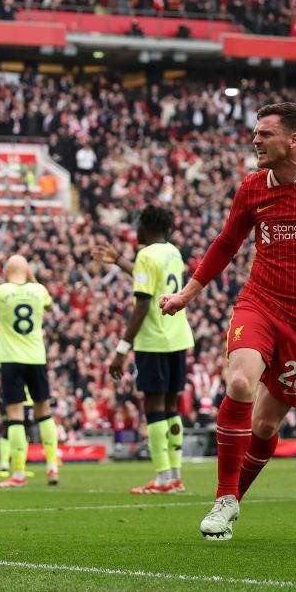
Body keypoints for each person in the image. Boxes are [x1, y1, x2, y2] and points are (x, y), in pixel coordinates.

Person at [160, 102, 296, 540]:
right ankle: (223, 498)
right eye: (255, 132)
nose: (255, 140)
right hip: (259, 302)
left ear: (294, 139)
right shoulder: (253, 187)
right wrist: (187, 293)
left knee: (265, 425)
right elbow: (226, 243)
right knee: (239, 383)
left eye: (265, 133)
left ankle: (233, 500)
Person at [99, 205, 193, 494]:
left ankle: (163, 478)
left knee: (153, 407)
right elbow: (150, 280)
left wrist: (121, 349)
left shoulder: (146, 255)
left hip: (154, 339)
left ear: (146, 225)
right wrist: (119, 262)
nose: (135, 230)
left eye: (138, 224)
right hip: (178, 337)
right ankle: (175, 476)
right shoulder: (173, 252)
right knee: (171, 407)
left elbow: (142, 303)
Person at [0, 254, 59, 488]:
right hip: (36, 358)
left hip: (11, 360)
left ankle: (18, 473)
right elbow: (49, 304)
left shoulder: (0, 291)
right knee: (44, 412)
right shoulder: (39, 291)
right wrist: (31, 277)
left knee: (16, 416)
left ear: (6, 271)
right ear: (27, 270)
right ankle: (52, 466)